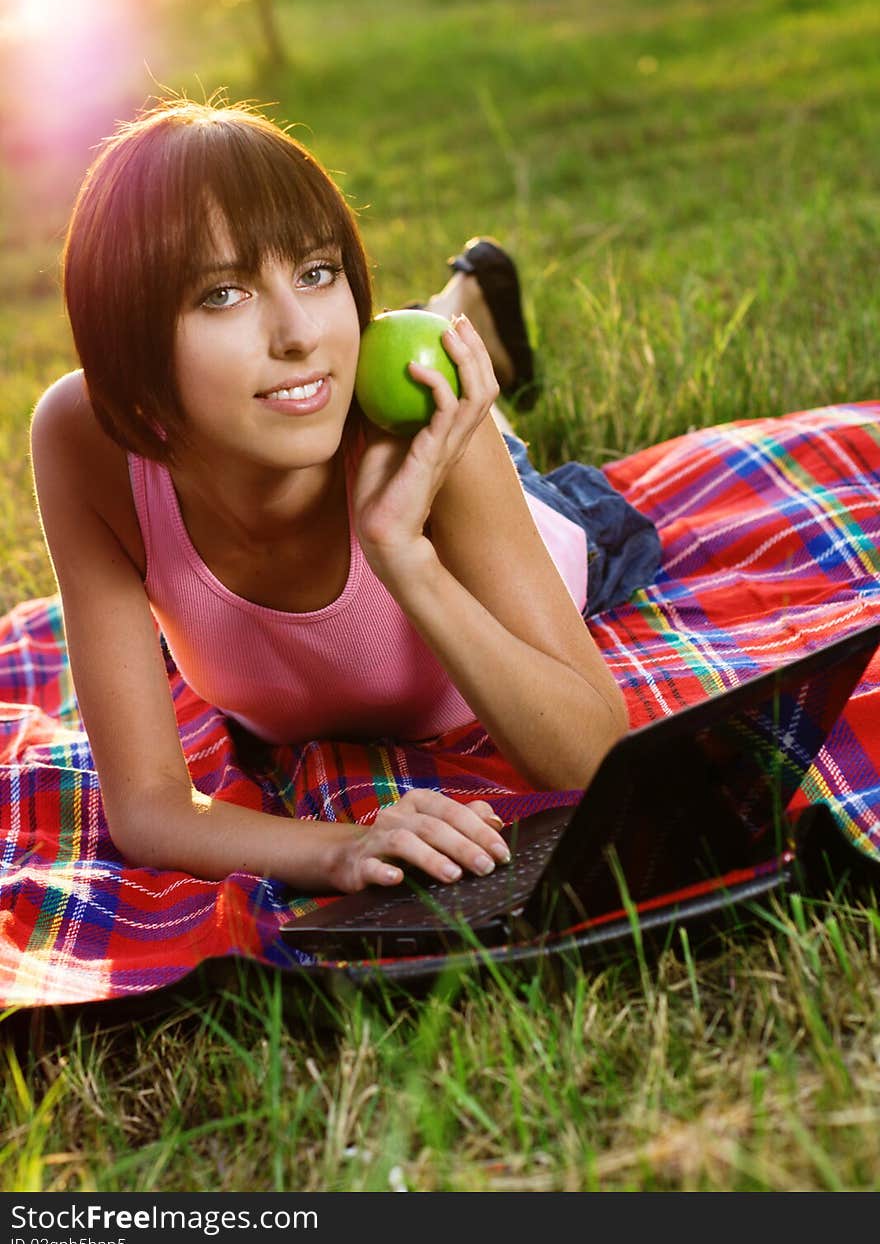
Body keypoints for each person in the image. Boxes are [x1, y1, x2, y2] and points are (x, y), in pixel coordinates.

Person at [29, 98, 647, 899]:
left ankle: (453, 319)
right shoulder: (86, 442)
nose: (299, 331)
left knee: (448, 389)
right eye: (222, 293)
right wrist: (339, 851)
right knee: (365, 362)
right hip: (308, 409)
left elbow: (597, 762)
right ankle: (455, 304)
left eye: (318, 273)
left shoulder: (428, 438)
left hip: (487, 487)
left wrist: (404, 553)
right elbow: (146, 807)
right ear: (126, 341)